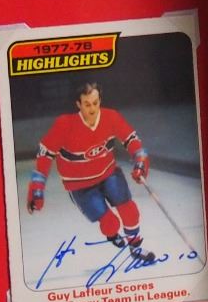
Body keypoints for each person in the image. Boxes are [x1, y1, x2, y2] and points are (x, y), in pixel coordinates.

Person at [27, 80, 154, 262]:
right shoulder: (64, 124)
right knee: (110, 224)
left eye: (95, 103)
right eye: (87, 104)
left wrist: (140, 161)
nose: (92, 109)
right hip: (79, 185)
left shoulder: (111, 117)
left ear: (100, 100)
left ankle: (135, 248)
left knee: (130, 211)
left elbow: (132, 139)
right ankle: (112, 234)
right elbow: (45, 155)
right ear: (78, 104)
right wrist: (37, 188)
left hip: (108, 173)